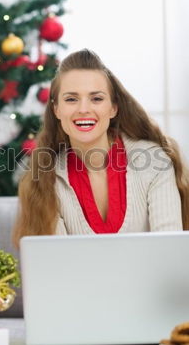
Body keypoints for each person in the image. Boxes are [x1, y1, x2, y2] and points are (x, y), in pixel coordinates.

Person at [13, 49, 189, 244]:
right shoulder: (46, 178)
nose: (83, 109)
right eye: (71, 99)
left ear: (113, 107)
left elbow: (168, 251)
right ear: (56, 109)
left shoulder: (154, 162)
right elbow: (59, 266)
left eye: (96, 98)